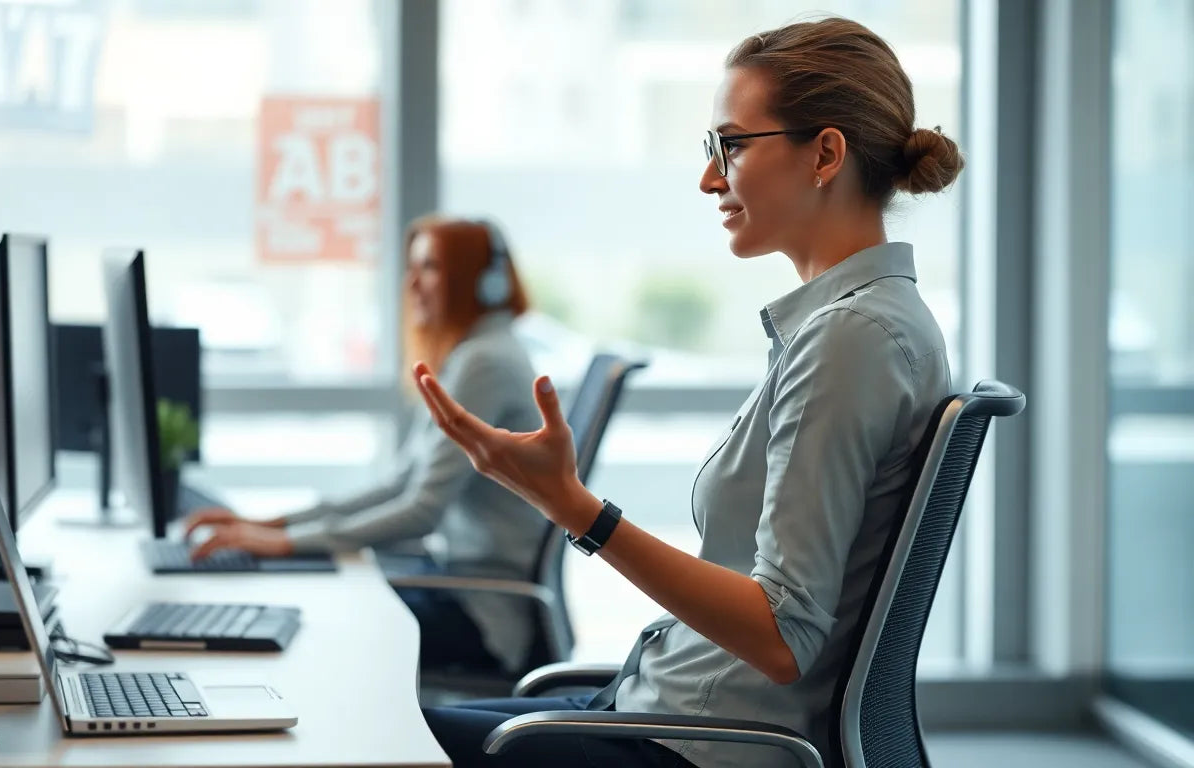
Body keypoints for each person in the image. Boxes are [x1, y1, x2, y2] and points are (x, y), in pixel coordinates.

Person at [411, 17, 963, 768]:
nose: (710, 178)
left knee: (374, 741)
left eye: (730, 146)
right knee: (398, 720)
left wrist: (577, 509)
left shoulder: (852, 339)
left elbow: (780, 633)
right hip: (665, 706)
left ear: (825, 154)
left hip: (699, 743)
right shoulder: (854, 327)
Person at [185, 215, 547, 676]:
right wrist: (272, 525)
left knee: (316, 620)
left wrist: (284, 542)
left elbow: (421, 511)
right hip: (459, 585)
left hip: (484, 610)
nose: (412, 283)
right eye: (413, 267)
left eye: (431, 267)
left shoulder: (484, 363)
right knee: (317, 595)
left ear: (485, 283)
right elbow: (401, 483)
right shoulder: (473, 354)